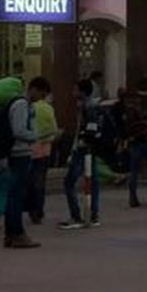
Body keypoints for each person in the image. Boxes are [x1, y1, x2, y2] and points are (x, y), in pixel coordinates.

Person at [60, 79, 105, 230]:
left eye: (75, 89)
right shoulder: (90, 106)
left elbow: (89, 130)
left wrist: (81, 143)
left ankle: (77, 215)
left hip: (84, 149)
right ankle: (93, 214)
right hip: (90, 149)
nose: (73, 92)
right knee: (92, 181)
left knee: (70, 182)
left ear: (82, 91)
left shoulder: (89, 108)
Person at [3, 82, 41, 249]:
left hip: (18, 153)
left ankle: (11, 234)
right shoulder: (21, 104)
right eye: (41, 94)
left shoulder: (21, 104)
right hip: (19, 153)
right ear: (34, 89)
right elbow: (18, 130)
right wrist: (34, 136)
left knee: (14, 195)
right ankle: (17, 233)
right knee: (16, 195)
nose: (41, 98)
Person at [119, 77, 147, 208]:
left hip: (135, 140)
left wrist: (125, 137)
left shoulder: (131, 102)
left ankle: (133, 197)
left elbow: (124, 122)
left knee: (134, 171)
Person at [27, 79, 58, 225]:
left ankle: (33, 210)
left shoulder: (28, 107)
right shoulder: (47, 108)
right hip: (44, 151)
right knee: (39, 183)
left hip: (28, 151)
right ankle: (37, 212)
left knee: (31, 183)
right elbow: (53, 130)